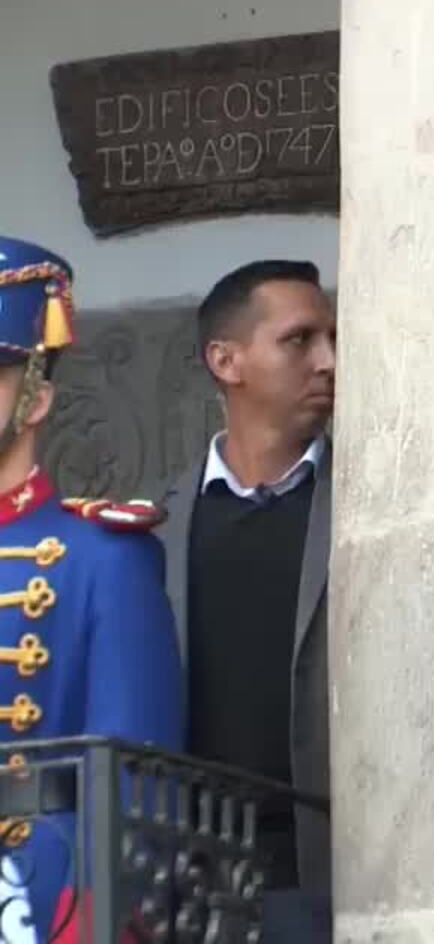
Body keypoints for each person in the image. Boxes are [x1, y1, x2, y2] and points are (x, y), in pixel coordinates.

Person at [0, 237, 181, 944]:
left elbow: (134, 783)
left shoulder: (103, 556)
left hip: (32, 891)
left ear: (37, 400)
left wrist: (85, 925)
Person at [153, 260, 335, 942]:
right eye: (299, 340)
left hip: (330, 873)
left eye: (334, 340)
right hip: (187, 883)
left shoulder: (374, 514)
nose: (328, 362)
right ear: (225, 361)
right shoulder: (155, 527)